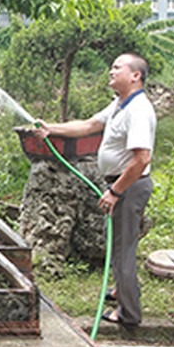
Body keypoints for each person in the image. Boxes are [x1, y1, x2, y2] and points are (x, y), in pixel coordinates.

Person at [35, 53, 155, 328]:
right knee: (117, 245)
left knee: (123, 250)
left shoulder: (138, 111)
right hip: (121, 184)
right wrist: (51, 129)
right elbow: (89, 125)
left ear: (135, 76)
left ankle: (129, 315)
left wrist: (115, 191)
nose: (110, 71)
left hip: (129, 186)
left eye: (117, 67)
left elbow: (141, 159)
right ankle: (121, 291)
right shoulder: (120, 104)